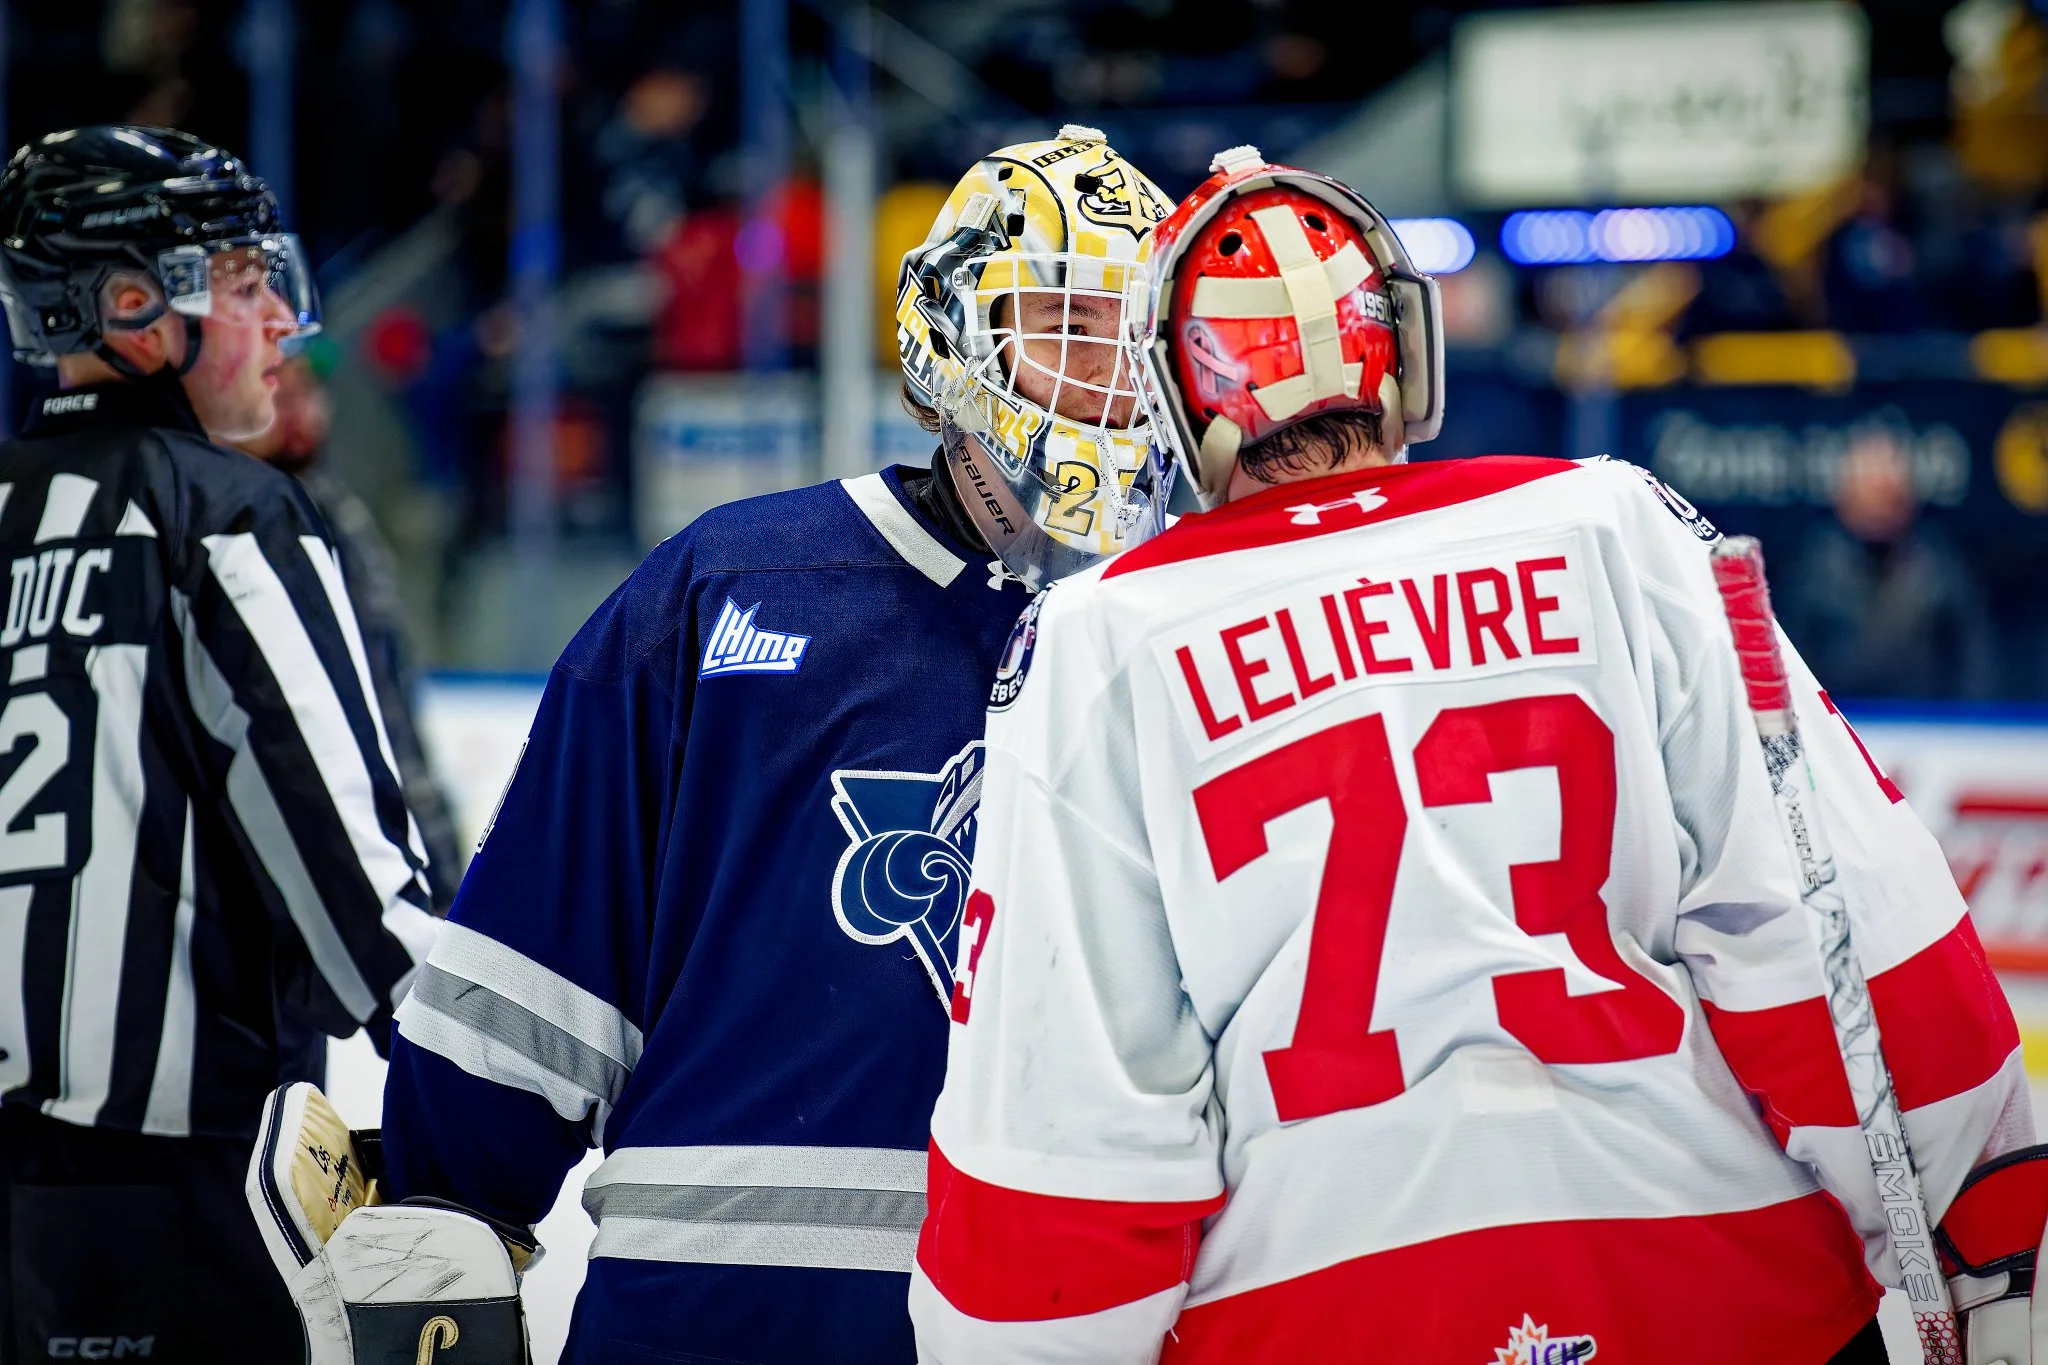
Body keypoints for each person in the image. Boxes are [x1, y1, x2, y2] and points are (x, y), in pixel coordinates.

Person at [909, 149, 2044, 1364]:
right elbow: (1841, 942)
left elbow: (1066, 1127)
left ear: (1178, 402)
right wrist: (1984, 1247)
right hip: (1715, 1289)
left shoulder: (1099, 640)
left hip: (1320, 1317)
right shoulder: (1614, 522)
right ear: (1400, 355)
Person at [248, 125, 1174, 1363]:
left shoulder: (1198, 628)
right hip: (709, 1316)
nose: (1104, 385)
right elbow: (539, 970)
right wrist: (448, 1199)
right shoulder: (731, 588)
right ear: (953, 337)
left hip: (1062, 1317)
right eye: (1064, 331)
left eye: (1132, 342)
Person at [0, 127, 436, 1363]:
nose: (280, 322)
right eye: (243, 283)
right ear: (134, 307)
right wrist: (485, 1082)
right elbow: (354, 882)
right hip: (184, 1179)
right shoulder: (222, 510)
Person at [238, 352, 466, 909]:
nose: (303, 414)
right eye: (281, 396)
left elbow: (388, 693)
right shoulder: (239, 522)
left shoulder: (333, 507)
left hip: (384, 812)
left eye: (309, 394)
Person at [1783, 426, 1998, 701]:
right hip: (1838, 724)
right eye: (1869, 492)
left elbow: (1974, 663)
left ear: (1909, 500)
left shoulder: (1940, 571)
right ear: (1844, 499)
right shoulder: (1814, 571)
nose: (1880, 507)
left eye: (1889, 494)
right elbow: (1791, 665)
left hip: (1931, 728)